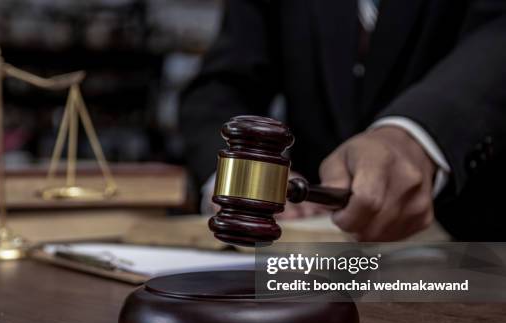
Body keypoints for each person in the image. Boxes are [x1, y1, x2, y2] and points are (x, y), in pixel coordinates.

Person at [180, 0, 506, 241]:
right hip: (306, 254)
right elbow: (221, 87)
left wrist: (417, 133)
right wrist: (235, 177)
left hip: (474, 254)